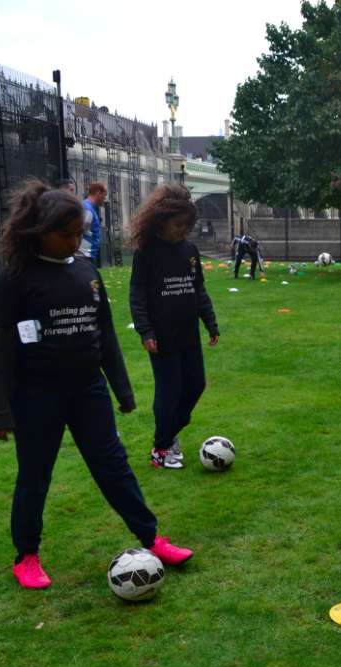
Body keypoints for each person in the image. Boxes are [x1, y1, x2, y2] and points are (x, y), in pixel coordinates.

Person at [0, 180, 193, 589]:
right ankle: (26, 555)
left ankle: (152, 537)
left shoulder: (85, 271)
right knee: (35, 475)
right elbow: (0, 346)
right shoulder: (16, 279)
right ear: (39, 231)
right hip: (36, 396)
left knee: (114, 467)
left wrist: (122, 390)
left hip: (87, 391)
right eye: (66, 235)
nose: (75, 241)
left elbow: (105, 335)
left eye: (79, 233)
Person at [129, 184, 219, 469]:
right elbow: (137, 294)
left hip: (188, 333)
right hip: (161, 338)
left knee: (195, 385)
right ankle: (161, 448)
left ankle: (168, 435)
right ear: (161, 221)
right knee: (169, 391)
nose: (184, 231)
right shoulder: (146, 252)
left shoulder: (189, 251)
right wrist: (145, 330)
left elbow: (198, 289)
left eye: (187, 226)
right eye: (179, 225)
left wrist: (210, 323)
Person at [82, 181, 106, 266]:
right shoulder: (87, 209)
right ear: (99, 193)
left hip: (87, 255)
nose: (104, 198)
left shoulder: (89, 208)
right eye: (104, 195)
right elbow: (80, 231)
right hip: (84, 255)